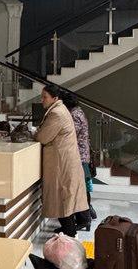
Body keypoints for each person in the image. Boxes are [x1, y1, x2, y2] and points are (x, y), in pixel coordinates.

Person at [35, 85, 88, 237]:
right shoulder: (60, 109)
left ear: (55, 98)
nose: (42, 100)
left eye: (45, 97)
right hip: (64, 160)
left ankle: (69, 234)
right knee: (65, 198)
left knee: (62, 197)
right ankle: (69, 230)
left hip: (61, 162)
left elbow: (43, 137)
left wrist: (35, 133)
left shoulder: (56, 113)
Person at [61, 91, 96, 231]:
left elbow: (70, 134)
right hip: (81, 155)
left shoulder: (74, 114)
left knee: (79, 189)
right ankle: (86, 217)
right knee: (81, 188)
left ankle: (85, 218)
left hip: (78, 156)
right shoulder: (78, 111)